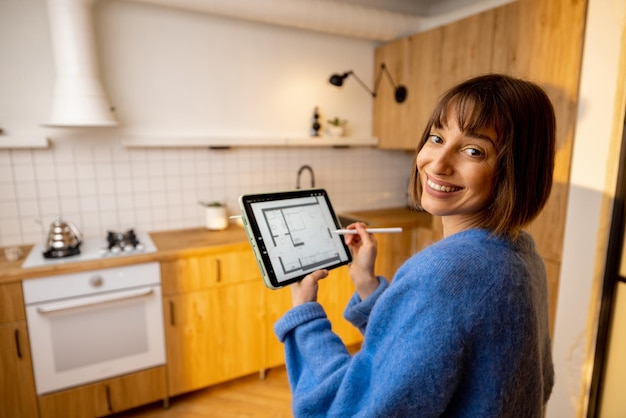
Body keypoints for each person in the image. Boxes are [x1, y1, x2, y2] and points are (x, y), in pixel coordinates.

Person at [274, 74, 556, 417]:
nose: (437, 164)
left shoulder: (444, 275)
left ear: (516, 170)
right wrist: (366, 283)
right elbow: (426, 357)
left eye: (473, 150)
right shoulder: (522, 254)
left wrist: (303, 315)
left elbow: (349, 409)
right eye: (437, 138)